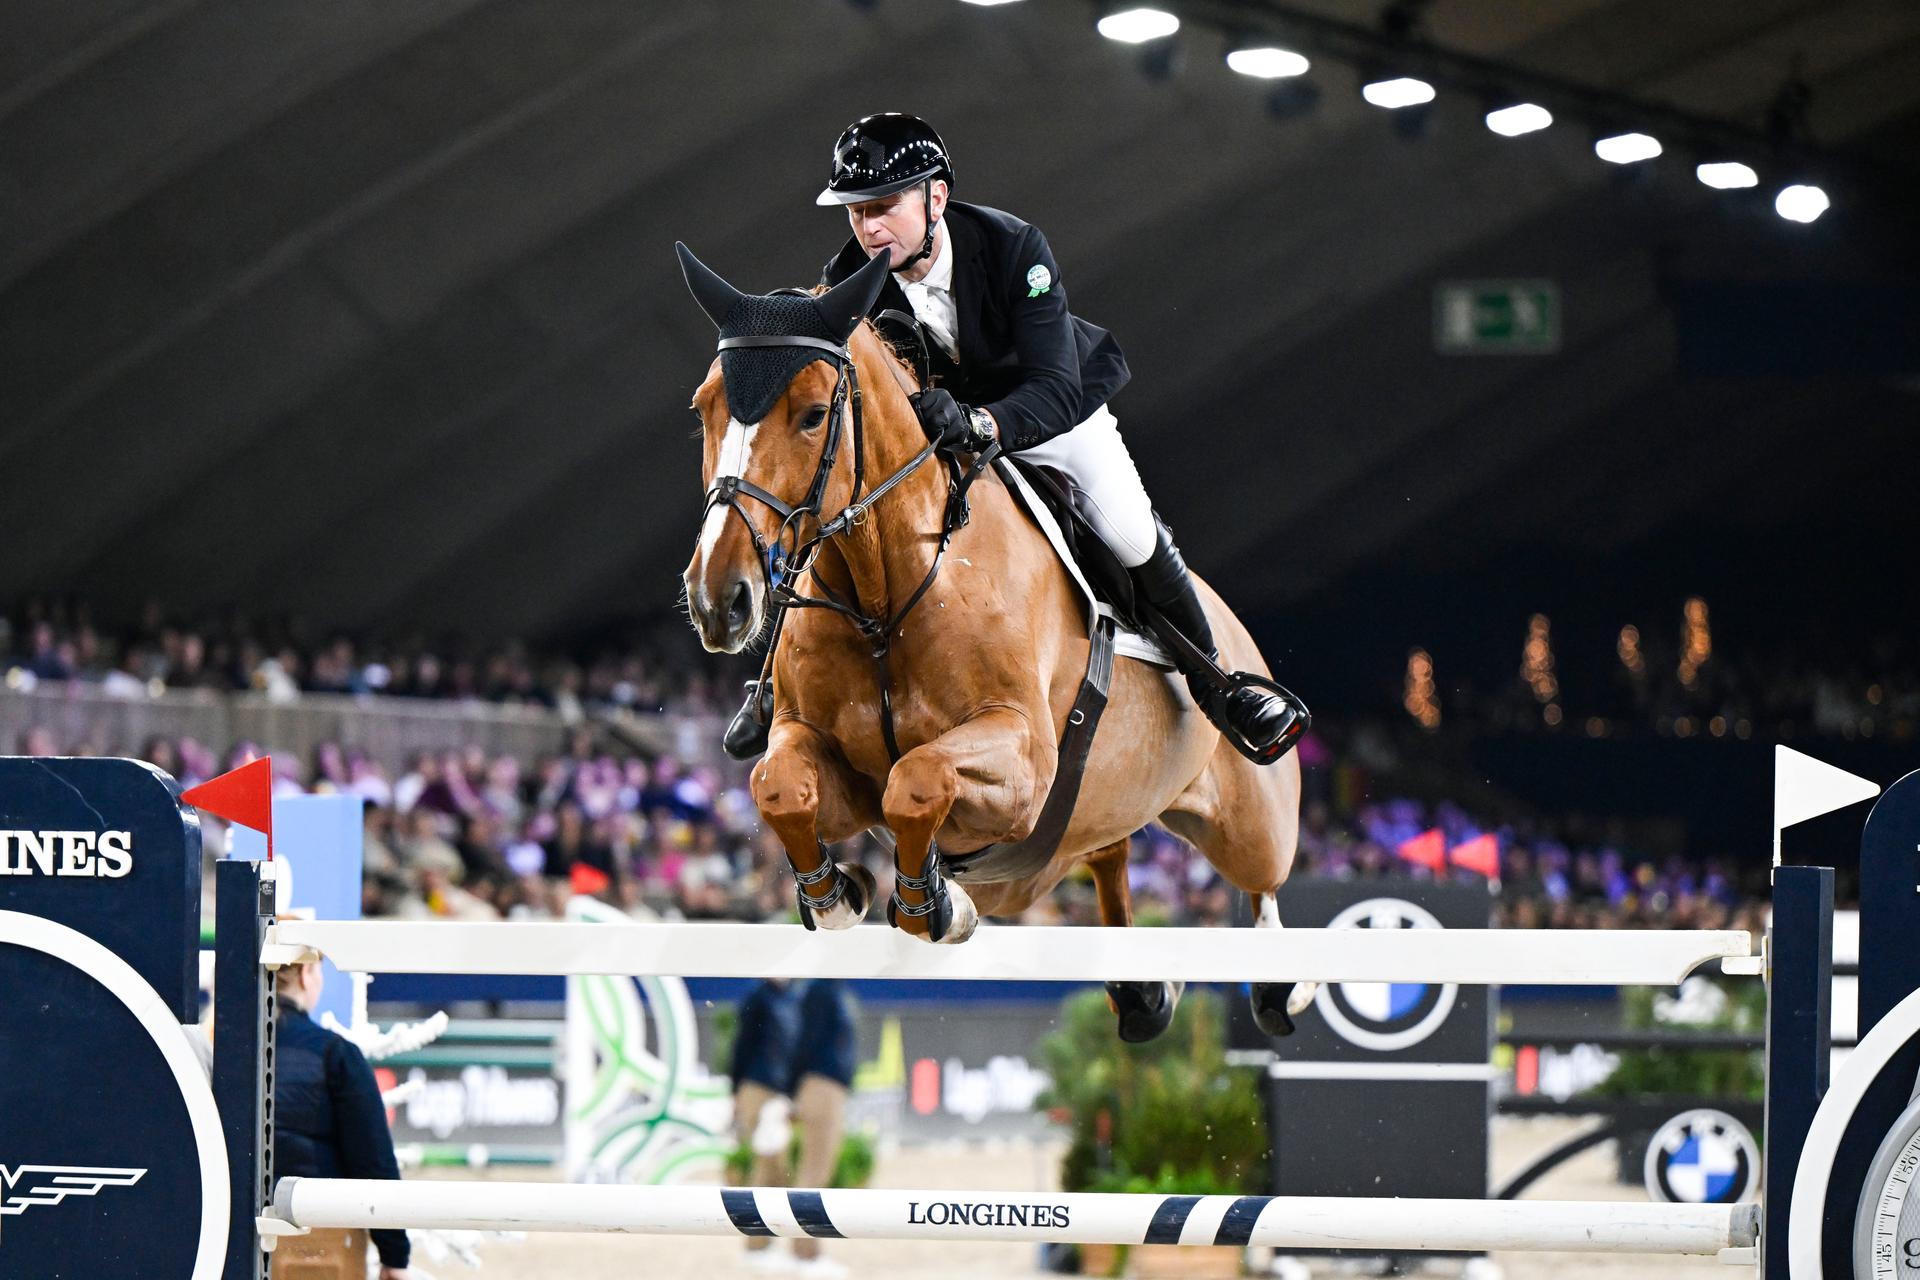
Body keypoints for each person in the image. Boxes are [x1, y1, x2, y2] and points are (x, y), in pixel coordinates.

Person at [808, 112, 1309, 763]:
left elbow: (1054, 385)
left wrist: (985, 423)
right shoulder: (850, 279)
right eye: (855, 212)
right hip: (941, 448)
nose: (868, 227)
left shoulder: (1014, 247)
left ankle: (1217, 685)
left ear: (936, 197)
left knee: (1127, 530)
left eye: (884, 207)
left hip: (1047, 418)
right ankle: (777, 685)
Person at [272, 949, 414, 1279]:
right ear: (307, 974)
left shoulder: (217, 1049)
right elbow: (373, 1161)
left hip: (225, 1237)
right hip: (317, 1236)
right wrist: (394, 1254)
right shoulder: (335, 1054)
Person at [787, 979, 858, 1278]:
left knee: (820, 1170)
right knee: (813, 1172)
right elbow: (806, 1041)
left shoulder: (833, 989)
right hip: (820, 1085)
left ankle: (806, 1251)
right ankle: (805, 1254)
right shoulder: (821, 991)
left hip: (828, 1086)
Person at [729, 977, 800, 1270]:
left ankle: (768, 1241)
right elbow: (742, 1046)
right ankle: (755, 1244)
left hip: (780, 1090)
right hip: (756, 1087)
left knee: (779, 1169)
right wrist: (735, 1090)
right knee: (759, 1166)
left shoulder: (792, 997)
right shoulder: (758, 998)